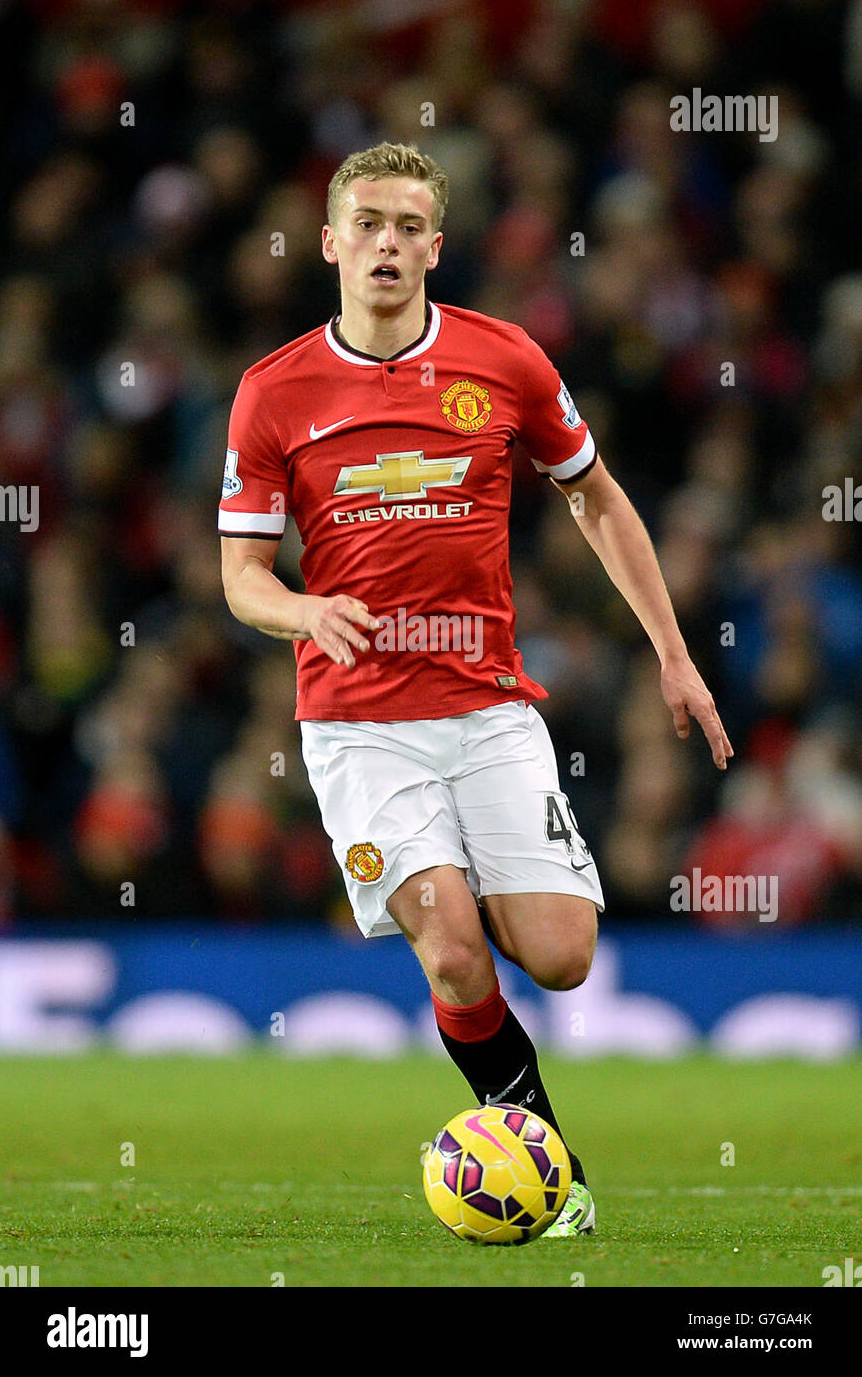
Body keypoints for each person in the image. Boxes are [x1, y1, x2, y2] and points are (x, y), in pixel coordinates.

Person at [219, 141, 733, 1238]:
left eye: (408, 226)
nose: (387, 244)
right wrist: (304, 609)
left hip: (488, 706)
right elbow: (239, 577)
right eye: (367, 224)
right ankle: (552, 1174)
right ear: (329, 243)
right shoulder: (272, 391)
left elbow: (596, 499)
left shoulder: (503, 361)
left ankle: (477, 925)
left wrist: (672, 652)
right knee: (452, 948)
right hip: (357, 726)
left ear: (436, 247)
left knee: (559, 954)